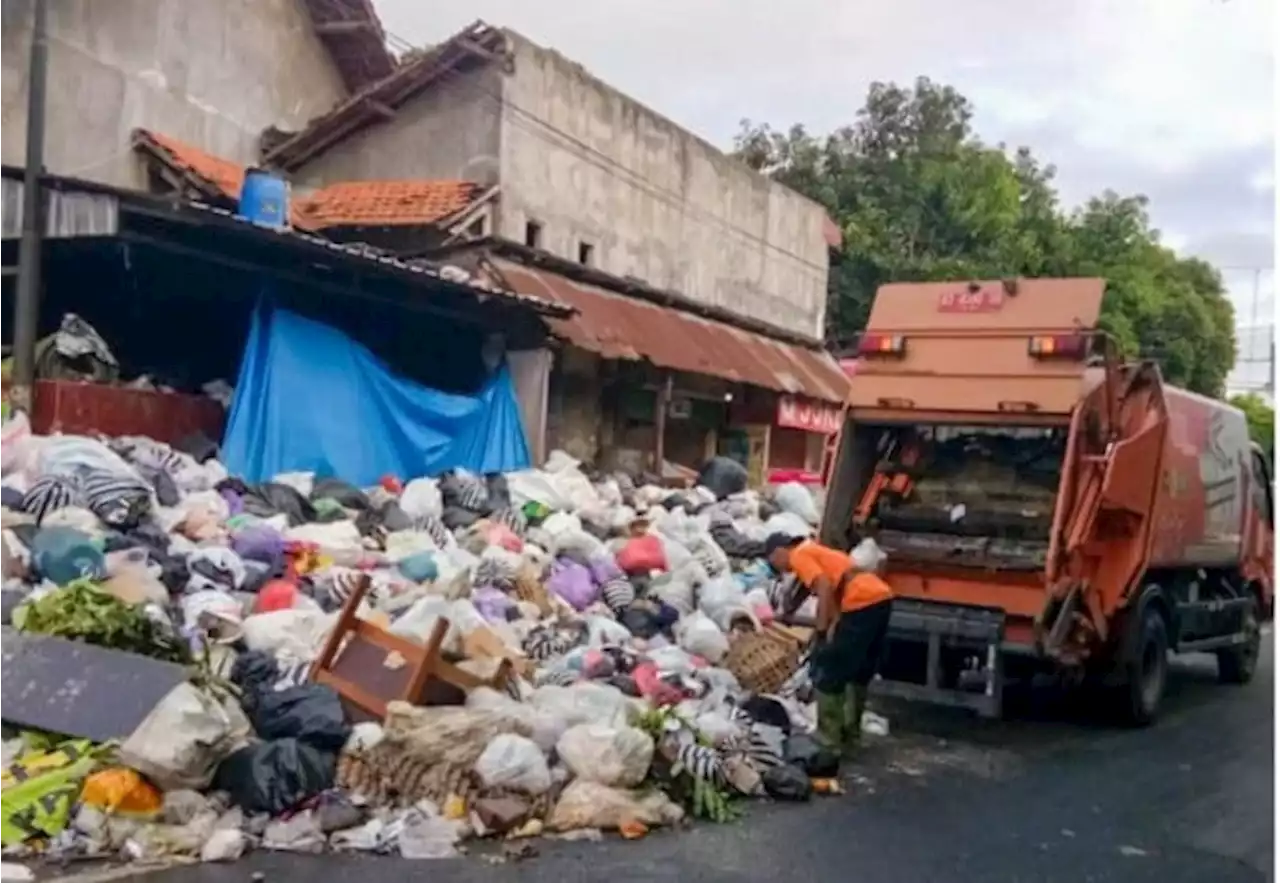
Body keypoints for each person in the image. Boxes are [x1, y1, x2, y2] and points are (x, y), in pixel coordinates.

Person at [765, 534, 894, 758]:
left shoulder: (798, 556)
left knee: (830, 667)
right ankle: (851, 735)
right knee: (859, 670)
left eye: (774, 562)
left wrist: (822, 630)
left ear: (779, 552)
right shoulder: (813, 551)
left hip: (859, 601)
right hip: (880, 597)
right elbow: (810, 586)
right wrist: (789, 611)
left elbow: (823, 585)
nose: (780, 569)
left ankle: (829, 740)